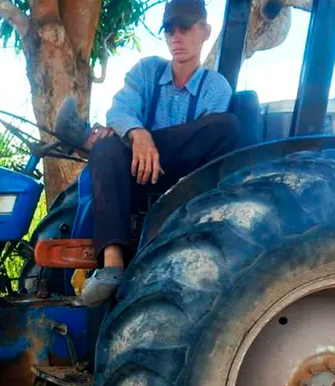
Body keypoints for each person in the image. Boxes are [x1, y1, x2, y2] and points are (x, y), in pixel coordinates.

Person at [71, 0, 242, 307]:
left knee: (225, 126)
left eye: (186, 28)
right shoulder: (147, 71)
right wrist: (138, 135)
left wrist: (143, 138)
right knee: (106, 146)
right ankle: (112, 264)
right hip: (134, 172)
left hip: (185, 175)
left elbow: (199, 143)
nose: (177, 37)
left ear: (205, 31)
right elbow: (120, 109)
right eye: (170, 30)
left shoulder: (215, 87)